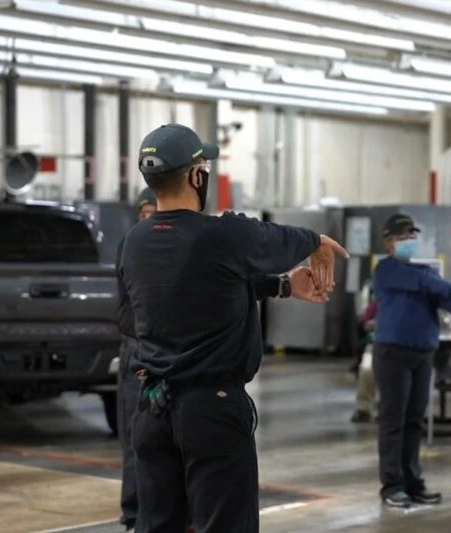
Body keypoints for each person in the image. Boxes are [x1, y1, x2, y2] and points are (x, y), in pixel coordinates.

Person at [119, 123, 349, 533]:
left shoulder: (134, 242)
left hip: (152, 409)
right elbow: (274, 239)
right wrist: (316, 240)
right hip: (211, 411)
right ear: (195, 176)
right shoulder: (222, 234)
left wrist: (280, 284)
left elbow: (190, 287)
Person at [372, 213, 451, 508]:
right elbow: (429, 285)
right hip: (392, 353)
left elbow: (447, 300)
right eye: (402, 237)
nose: (409, 242)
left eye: (411, 236)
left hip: (422, 353)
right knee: (393, 420)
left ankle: (413, 481)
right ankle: (392, 484)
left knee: (414, 421)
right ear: (388, 244)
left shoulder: (426, 276)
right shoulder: (386, 270)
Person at [115, 187, 157, 532]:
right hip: (137, 349)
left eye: (152, 213)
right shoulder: (133, 248)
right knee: (134, 437)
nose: (147, 219)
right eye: (142, 214)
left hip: (162, 350)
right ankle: (133, 514)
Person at [351, 296, 378, 423]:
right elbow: (364, 322)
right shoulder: (382, 298)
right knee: (367, 369)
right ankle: (363, 409)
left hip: (403, 345)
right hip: (379, 343)